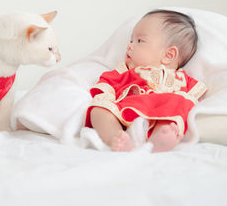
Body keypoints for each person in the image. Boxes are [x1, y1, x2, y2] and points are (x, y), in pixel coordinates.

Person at [84, 10, 207, 152]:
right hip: (125, 113)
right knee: (99, 108)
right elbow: (106, 87)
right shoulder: (125, 72)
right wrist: (106, 102)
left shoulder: (180, 79)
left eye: (139, 41)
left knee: (179, 103)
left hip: (161, 113)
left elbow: (194, 100)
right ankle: (116, 139)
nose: (129, 46)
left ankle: (160, 138)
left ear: (168, 55)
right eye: (131, 41)